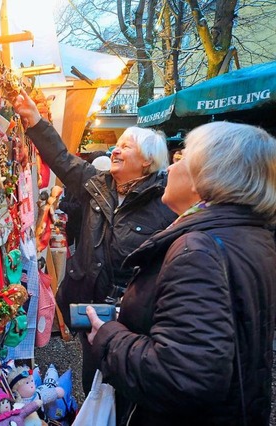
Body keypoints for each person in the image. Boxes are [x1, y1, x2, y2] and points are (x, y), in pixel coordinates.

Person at [85, 121, 276, 425]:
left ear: (208, 175)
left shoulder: (199, 248)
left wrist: (108, 337)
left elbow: (182, 376)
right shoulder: (247, 234)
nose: (170, 168)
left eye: (182, 158)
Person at [13, 89, 177, 393]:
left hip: (131, 318)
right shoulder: (98, 184)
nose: (115, 150)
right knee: (92, 382)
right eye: (117, 145)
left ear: (147, 161)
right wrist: (35, 121)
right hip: (89, 307)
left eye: (125, 147)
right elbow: (62, 159)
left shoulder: (164, 203)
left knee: (122, 387)